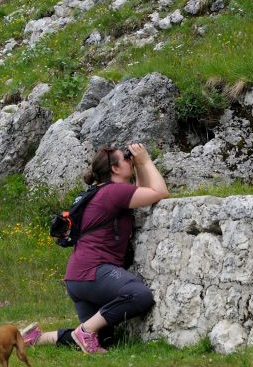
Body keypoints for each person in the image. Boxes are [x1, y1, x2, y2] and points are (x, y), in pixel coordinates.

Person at [21, 142, 170, 354]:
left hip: (77, 278)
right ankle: (85, 331)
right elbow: (160, 192)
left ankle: (38, 338)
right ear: (115, 168)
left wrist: (138, 165)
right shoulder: (114, 192)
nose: (130, 160)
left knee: (104, 340)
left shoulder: (102, 192)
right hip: (94, 272)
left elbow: (143, 192)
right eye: (126, 159)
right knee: (140, 295)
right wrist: (145, 160)